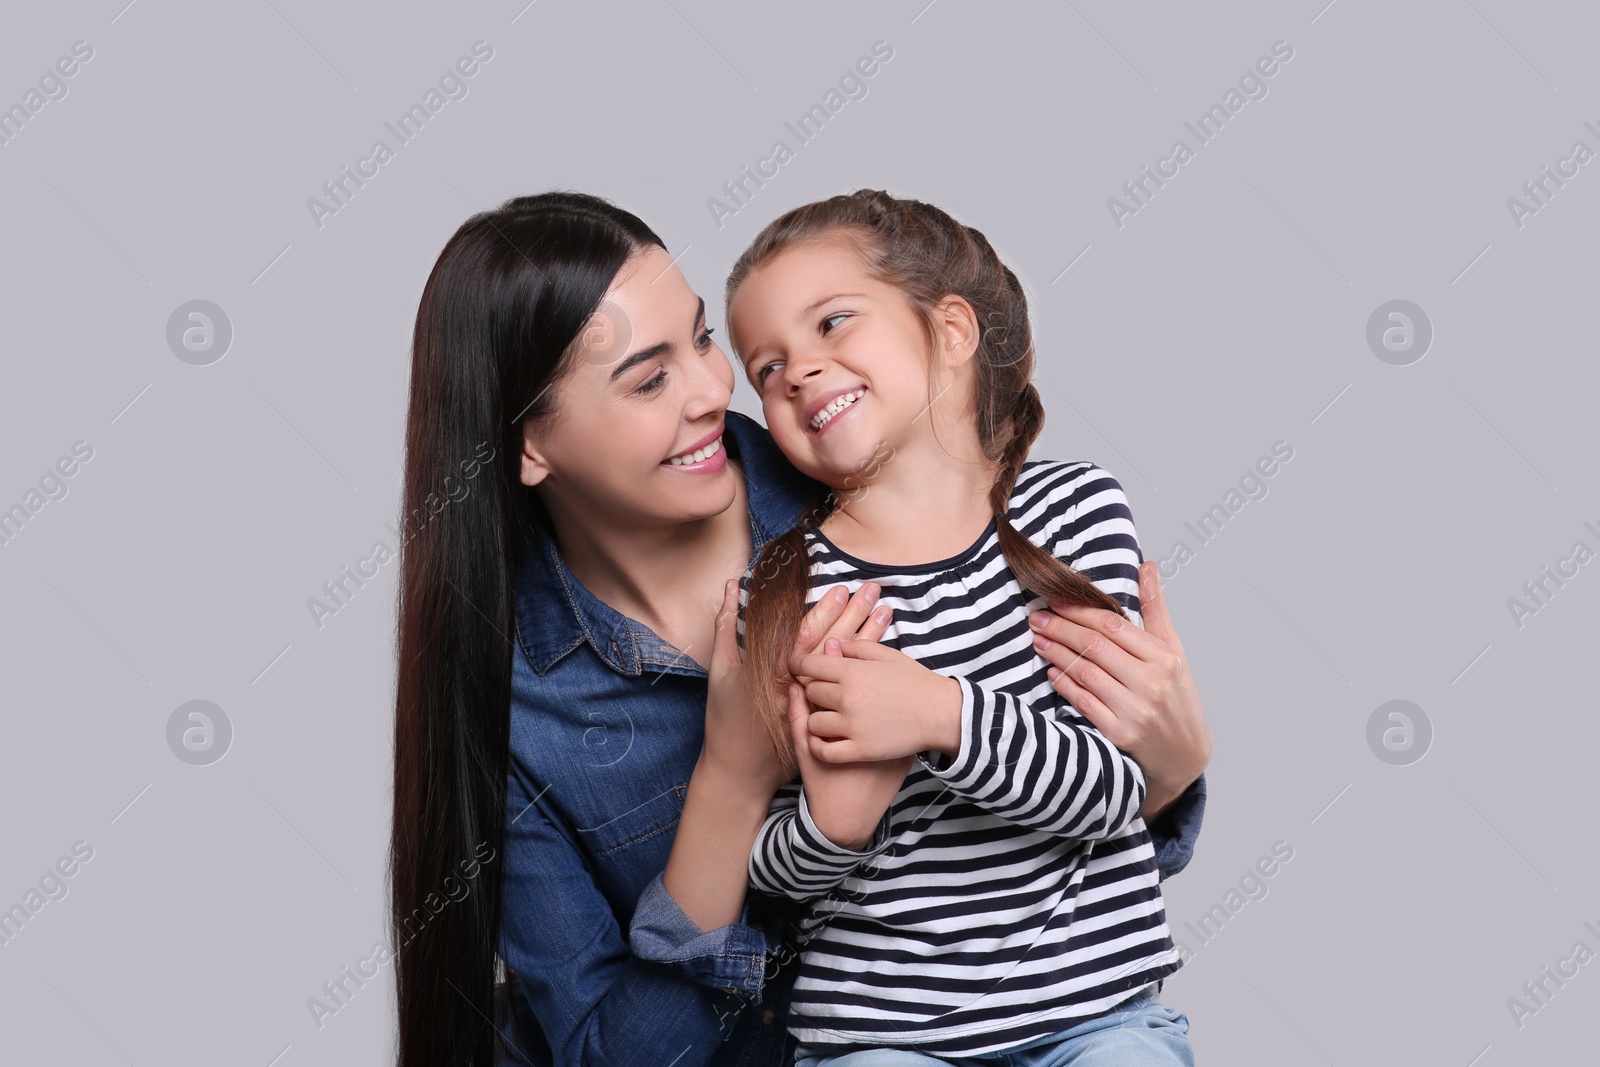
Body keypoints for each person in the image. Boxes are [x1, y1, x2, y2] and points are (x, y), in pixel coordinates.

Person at [388, 191, 1212, 1067]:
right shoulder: (519, 705)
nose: (719, 390)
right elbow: (610, 1055)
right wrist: (735, 779)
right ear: (529, 447)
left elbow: (1057, 874)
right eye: (649, 377)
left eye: (702, 340)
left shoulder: (866, 458)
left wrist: (1170, 771)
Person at [729, 189, 1193, 1064]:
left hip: (1093, 1022)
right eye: (766, 367)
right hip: (880, 1039)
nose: (797, 371)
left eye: (832, 323)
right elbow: (765, 874)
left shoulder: (1072, 511)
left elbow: (1110, 789)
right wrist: (831, 829)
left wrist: (942, 714)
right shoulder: (784, 585)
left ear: (950, 331)